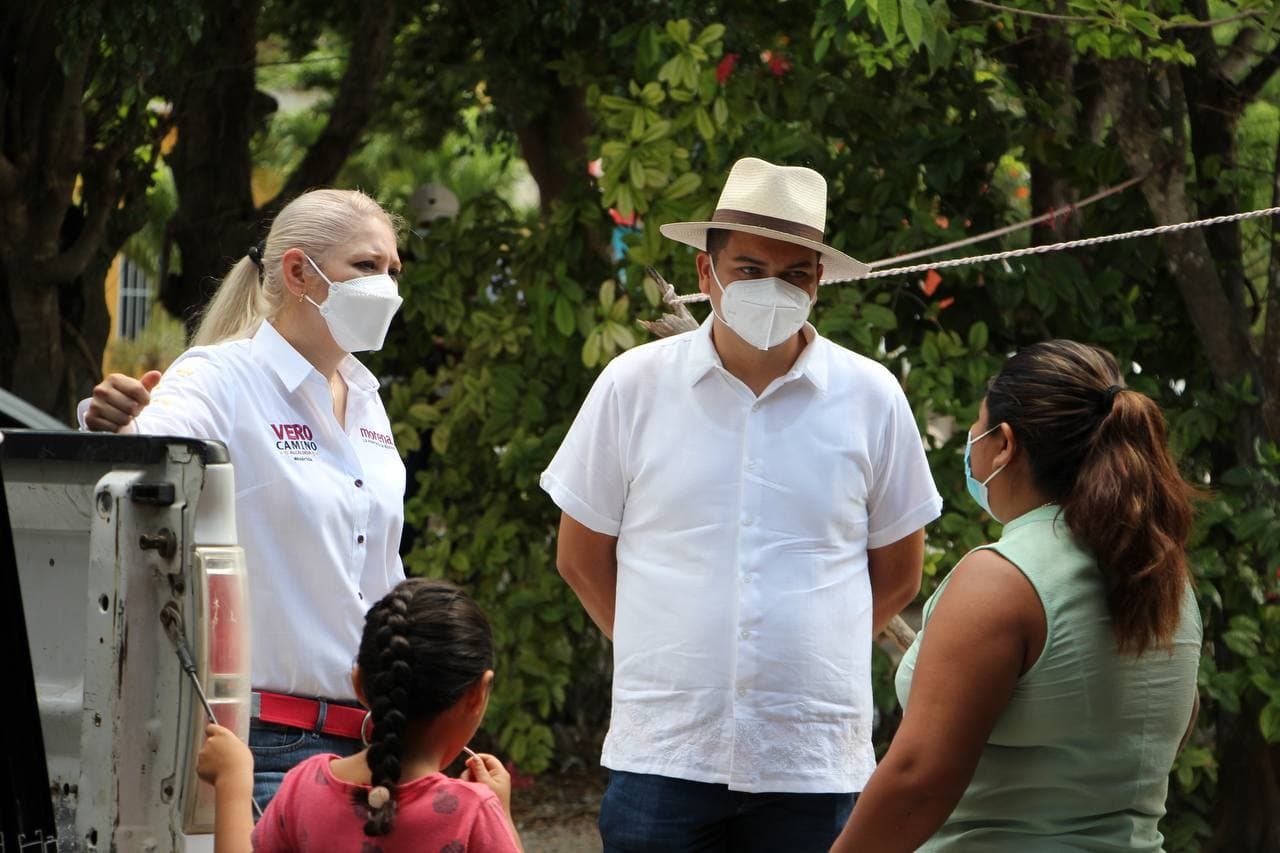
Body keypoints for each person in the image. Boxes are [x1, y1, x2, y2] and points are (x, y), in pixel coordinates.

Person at [540, 157, 943, 851]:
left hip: (813, 761)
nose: (773, 289)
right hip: (664, 751)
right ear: (706, 274)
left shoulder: (871, 396)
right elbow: (580, 556)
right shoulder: (631, 387)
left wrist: (815, 646)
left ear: (820, 283)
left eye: (796, 274)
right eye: (751, 269)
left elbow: (901, 572)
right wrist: (663, 650)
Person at [80, 188, 408, 807]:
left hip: (375, 741)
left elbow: (380, 576)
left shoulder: (366, 398)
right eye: (366, 267)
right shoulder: (220, 377)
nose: (387, 286)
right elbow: (145, 458)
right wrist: (114, 419)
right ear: (297, 272)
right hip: (270, 746)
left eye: (394, 270)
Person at [830, 339, 1203, 852]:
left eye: (976, 428)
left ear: (1003, 443)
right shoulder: (1164, 576)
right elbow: (1169, 729)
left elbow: (919, 778)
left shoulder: (1001, 580)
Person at [196, 577, 523, 852]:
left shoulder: (305, 787)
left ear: (358, 683)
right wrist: (501, 816)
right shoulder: (472, 812)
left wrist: (233, 782)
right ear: (477, 695)